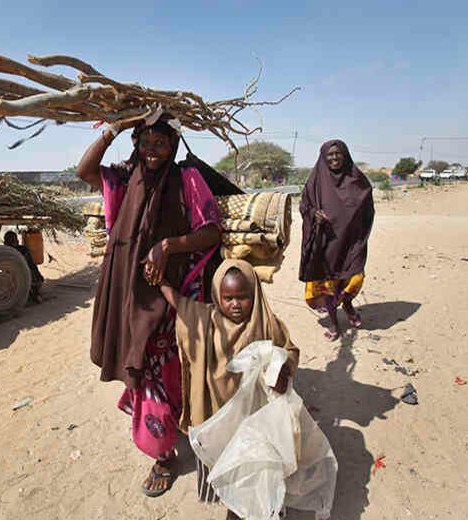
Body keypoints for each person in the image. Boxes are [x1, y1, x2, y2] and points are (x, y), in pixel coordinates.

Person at [76, 111, 221, 497]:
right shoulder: (125, 178)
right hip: (128, 289)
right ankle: (164, 453)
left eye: (161, 144)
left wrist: (167, 245)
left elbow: (210, 232)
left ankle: (182, 442)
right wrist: (115, 128)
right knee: (146, 370)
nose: (153, 152)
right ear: (137, 145)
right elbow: (84, 170)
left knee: (171, 370)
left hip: (173, 291)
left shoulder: (187, 179)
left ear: (173, 147)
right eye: (146, 143)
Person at [160, 259, 299, 507]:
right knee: (222, 464)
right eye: (228, 298)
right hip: (216, 414)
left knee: (254, 468)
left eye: (243, 297)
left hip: (254, 419)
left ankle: (252, 505)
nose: (235, 305)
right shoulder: (205, 321)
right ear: (217, 295)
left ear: (254, 294)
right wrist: (159, 281)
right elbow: (181, 305)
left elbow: (288, 351)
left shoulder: (267, 323)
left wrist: (282, 370)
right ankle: (231, 504)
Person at [299, 140, 375, 341]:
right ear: (324, 157)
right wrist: (314, 214)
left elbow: (367, 201)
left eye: (338, 154)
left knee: (355, 277)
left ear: (345, 155)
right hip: (326, 243)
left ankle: (348, 305)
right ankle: (334, 322)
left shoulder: (356, 179)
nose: (334, 158)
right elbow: (305, 204)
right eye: (330, 155)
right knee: (328, 284)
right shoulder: (316, 181)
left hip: (351, 241)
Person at [3, 231, 44, 303]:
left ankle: (34, 292)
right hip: (24, 278)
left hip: (15, 279)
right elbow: (31, 266)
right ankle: (35, 293)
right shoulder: (22, 250)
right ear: (16, 241)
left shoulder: (4, 252)